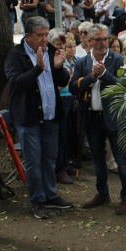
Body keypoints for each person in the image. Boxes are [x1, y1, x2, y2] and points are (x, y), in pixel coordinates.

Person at [4, 17, 74, 219]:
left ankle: (51, 195)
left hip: (51, 115)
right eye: (39, 35)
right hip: (29, 118)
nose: (44, 39)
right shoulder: (16, 55)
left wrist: (59, 67)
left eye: (46, 34)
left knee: (49, 159)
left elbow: (61, 81)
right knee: (33, 162)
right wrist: (38, 68)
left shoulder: (51, 50)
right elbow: (16, 83)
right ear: (28, 36)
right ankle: (37, 200)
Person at [69, 24, 126, 215]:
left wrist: (105, 75)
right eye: (98, 39)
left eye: (105, 39)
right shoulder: (82, 62)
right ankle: (102, 194)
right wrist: (91, 77)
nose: (103, 43)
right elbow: (74, 87)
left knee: (121, 160)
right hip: (92, 118)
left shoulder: (119, 59)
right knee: (97, 160)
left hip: (115, 118)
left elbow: (125, 85)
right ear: (89, 40)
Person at [48, 30, 75, 185]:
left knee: (67, 135)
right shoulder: (52, 60)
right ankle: (59, 170)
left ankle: (64, 164)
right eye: (59, 44)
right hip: (59, 100)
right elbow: (54, 85)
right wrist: (67, 80)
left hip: (69, 98)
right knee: (60, 136)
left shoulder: (65, 59)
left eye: (63, 44)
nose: (62, 47)